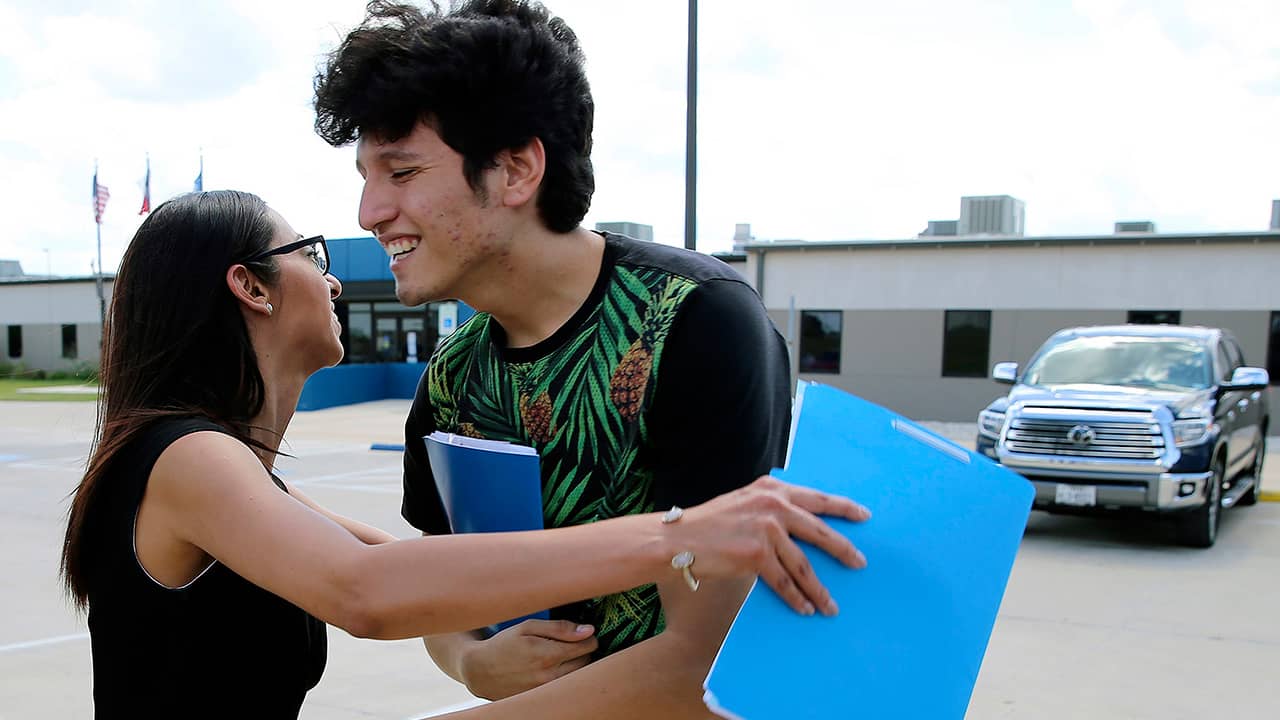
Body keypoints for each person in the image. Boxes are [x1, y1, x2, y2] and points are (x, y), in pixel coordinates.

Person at [59, 190, 869, 719]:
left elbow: (416, 567)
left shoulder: (227, 469)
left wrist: (480, 654)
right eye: (313, 256)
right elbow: (367, 592)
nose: (336, 282)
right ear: (253, 288)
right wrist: (680, 534)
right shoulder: (187, 458)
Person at [312, 1, 829, 715]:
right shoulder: (454, 378)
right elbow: (442, 595)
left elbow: (706, 660)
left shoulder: (694, 322)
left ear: (517, 169)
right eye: (365, 176)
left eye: (400, 172)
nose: (369, 212)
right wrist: (472, 662)